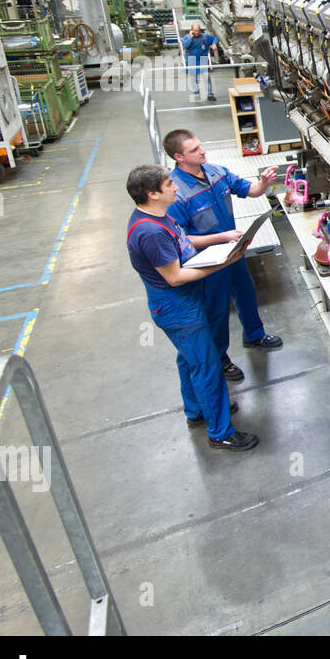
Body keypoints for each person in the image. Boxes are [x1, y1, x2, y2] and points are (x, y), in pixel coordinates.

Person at [125, 165, 259, 451]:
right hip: (177, 305)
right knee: (206, 365)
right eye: (168, 184)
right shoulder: (150, 232)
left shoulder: (158, 217)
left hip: (184, 300)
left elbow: (186, 244)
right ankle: (220, 432)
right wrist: (223, 263)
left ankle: (196, 410)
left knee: (189, 359)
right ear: (152, 194)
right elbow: (174, 277)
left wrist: (223, 241)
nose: (176, 187)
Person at [163, 129, 283, 384]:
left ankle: (254, 334)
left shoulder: (216, 172)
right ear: (179, 157)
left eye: (200, 145)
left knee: (246, 292)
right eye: (194, 150)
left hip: (232, 250)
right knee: (217, 310)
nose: (202, 151)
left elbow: (249, 190)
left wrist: (264, 182)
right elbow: (181, 239)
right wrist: (222, 237)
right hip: (208, 260)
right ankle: (221, 359)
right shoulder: (177, 193)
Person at [181, 23, 219, 101]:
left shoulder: (205, 37)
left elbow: (214, 38)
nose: (197, 32)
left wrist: (214, 44)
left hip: (202, 59)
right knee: (193, 78)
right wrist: (190, 38)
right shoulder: (187, 37)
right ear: (191, 30)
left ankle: (209, 94)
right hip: (191, 59)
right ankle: (196, 93)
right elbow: (185, 45)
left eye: (198, 30)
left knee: (206, 77)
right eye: (195, 31)